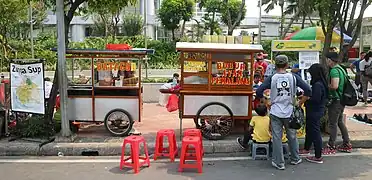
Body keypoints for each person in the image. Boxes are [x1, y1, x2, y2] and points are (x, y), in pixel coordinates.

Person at [256, 55, 311, 170]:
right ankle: (295, 158)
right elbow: (308, 90)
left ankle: (279, 162)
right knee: (292, 135)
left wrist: (266, 102)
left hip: (275, 111)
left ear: (275, 65)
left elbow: (259, 91)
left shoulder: (272, 78)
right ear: (287, 65)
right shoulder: (293, 77)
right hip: (290, 111)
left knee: (277, 137)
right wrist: (300, 102)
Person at [324, 52, 352, 154]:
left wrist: (327, 86)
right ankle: (346, 143)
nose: (326, 61)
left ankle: (331, 146)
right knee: (339, 122)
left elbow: (335, 86)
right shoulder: (341, 69)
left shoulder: (334, 71)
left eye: (327, 59)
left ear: (330, 60)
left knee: (333, 123)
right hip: (342, 99)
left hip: (336, 100)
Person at [300, 63, 328, 164]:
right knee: (310, 130)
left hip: (315, 111)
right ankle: (306, 148)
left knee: (315, 133)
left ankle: (318, 156)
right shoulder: (321, 83)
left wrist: (306, 99)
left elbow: (315, 99)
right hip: (315, 110)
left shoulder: (317, 85)